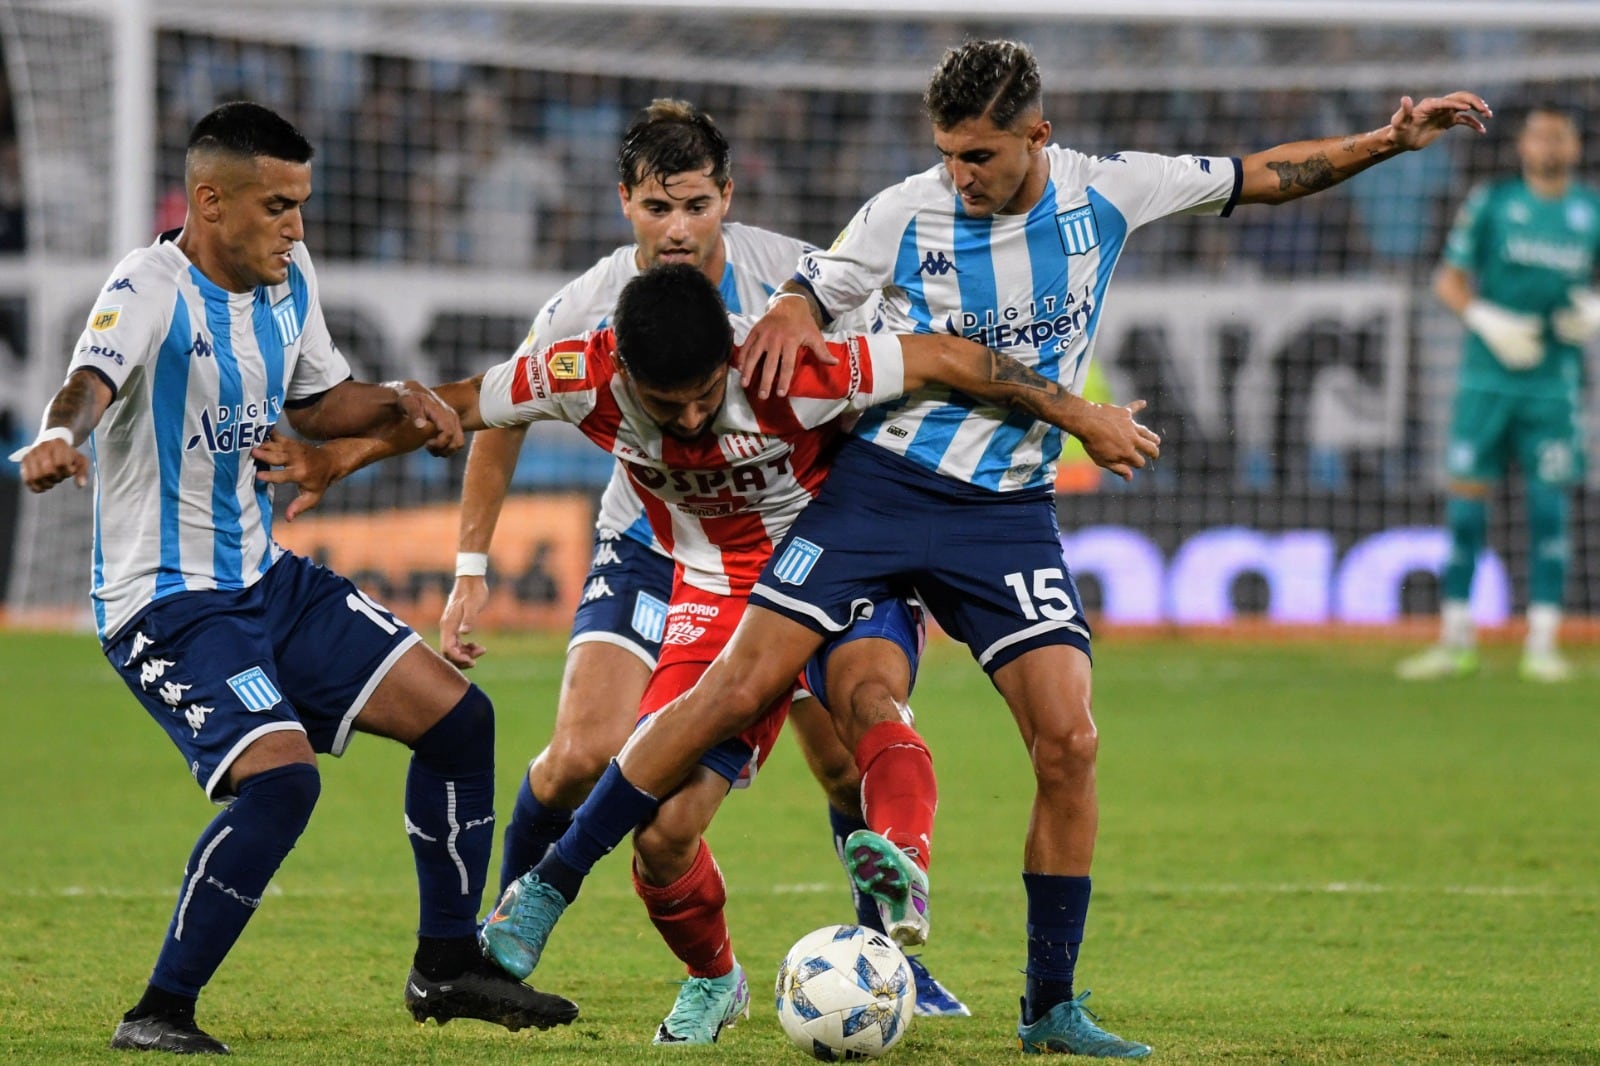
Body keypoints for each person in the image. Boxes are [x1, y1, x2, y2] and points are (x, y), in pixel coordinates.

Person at [478, 41, 1489, 1059]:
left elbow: (1264, 176)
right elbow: (810, 295)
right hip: (874, 489)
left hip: (1004, 513)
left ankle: (1047, 1005)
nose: (958, 175)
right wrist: (789, 310)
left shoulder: (1109, 192)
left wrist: (1386, 142)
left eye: (978, 156)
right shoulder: (898, 211)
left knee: (1069, 740)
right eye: (947, 154)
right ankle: (549, 889)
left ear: (1035, 137)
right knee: (739, 687)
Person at [263, 262, 1157, 1044]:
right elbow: (457, 403)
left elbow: (945, 357)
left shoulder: (787, 369)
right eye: (668, 405)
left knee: (871, 708)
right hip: (716, 589)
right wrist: (336, 461)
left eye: (704, 395)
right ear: (624, 373)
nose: (690, 417)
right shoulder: (583, 373)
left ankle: (901, 873)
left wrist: (1075, 412)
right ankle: (717, 979)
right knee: (664, 833)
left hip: (839, 561)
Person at [7, 101, 577, 1056]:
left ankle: (445, 966)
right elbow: (87, 383)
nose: (296, 227)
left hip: (265, 579)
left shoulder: (287, 276)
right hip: (166, 602)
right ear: (210, 200)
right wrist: (63, 435)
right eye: (277, 206)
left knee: (458, 720)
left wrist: (403, 400)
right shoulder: (147, 286)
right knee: (281, 784)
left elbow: (319, 404)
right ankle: (160, 1010)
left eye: (301, 205)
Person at [440, 98, 967, 1015]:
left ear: (726, 198)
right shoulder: (590, 308)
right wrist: (471, 568)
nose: (676, 229)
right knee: (581, 757)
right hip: (657, 541)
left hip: (805, 537)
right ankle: (509, 938)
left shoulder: (798, 283)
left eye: (694, 206)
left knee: (842, 760)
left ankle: (890, 957)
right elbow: (497, 412)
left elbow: (902, 377)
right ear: (625, 205)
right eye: (656, 209)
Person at [1396, 103, 1600, 683]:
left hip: (1553, 386)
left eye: (1559, 133)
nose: (1548, 144)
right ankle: (1455, 637)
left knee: (1549, 510)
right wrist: (1487, 321)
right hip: (1486, 380)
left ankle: (1542, 641)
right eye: (1539, 134)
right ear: (1523, 146)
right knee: (1464, 511)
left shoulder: (1593, 210)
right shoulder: (1493, 203)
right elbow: (1448, 280)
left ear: (1575, 145)